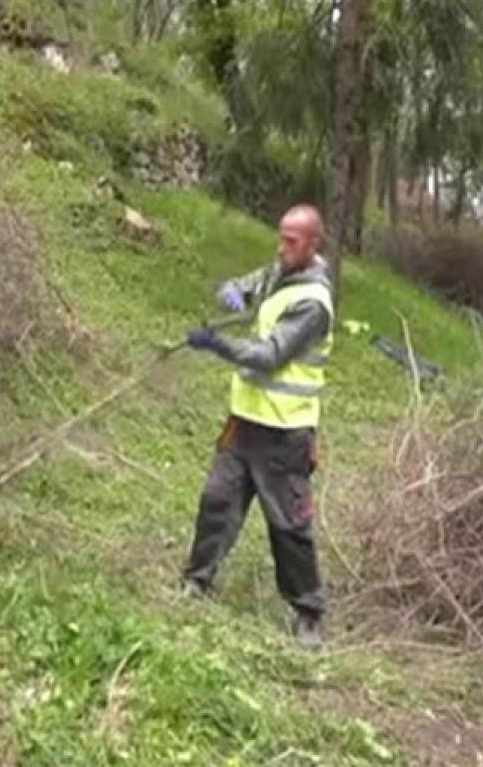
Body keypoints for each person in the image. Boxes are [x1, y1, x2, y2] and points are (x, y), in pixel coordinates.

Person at [181, 204, 335, 649]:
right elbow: (248, 285)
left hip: (285, 432)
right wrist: (232, 291)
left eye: (291, 241)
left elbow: (270, 356)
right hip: (245, 421)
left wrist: (218, 344)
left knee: (287, 524)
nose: (281, 247)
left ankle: (309, 613)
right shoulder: (280, 273)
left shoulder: (313, 303)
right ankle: (197, 580)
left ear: (313, 244)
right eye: (280, 237)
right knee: (217, 501)